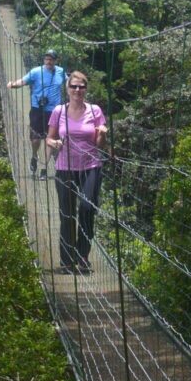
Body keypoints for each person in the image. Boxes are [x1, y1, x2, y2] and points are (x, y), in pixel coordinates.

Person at [46, 71, 108, 274]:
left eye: (81, 86)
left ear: (86, 89)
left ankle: (82, 256)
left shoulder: (95, 110)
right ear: (67, 89)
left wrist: (102, 135)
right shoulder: (58, 111)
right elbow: (50, 137)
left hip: (90, 166)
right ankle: (66, 261)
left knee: (87, 209)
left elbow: (99, 144)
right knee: (67, 214)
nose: (77, 90)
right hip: (65, 167)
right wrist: (53, 142)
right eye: (73, 86)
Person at [8, 49, 66, 180]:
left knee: (49, 141)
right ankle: (34, 156)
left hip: (54, 111)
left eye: (51, 59)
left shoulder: (61, 72)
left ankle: (44, 169)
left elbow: (68, 84)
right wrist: (13, 84)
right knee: (35, 140)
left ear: (55, 61)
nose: (48, 61)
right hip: (37, 109)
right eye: (47, 58)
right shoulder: (36, 71)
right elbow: (23, 81)